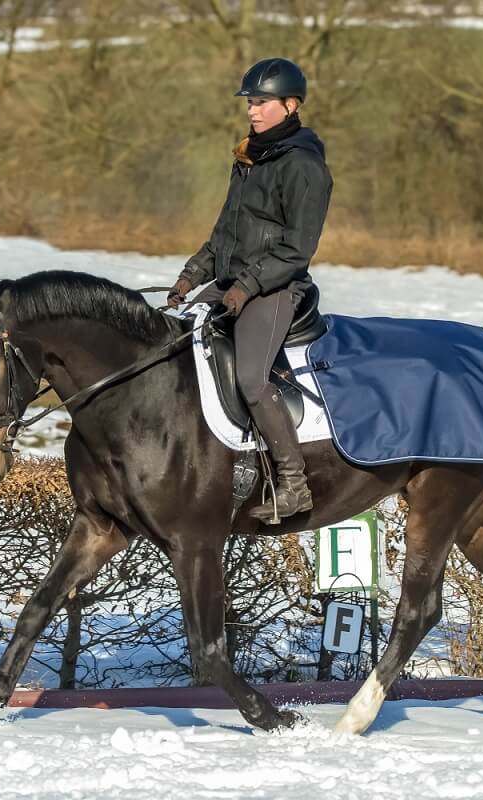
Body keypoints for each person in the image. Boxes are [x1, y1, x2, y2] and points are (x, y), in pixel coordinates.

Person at [167, 57, 333, 524]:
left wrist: (248, 285)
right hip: (231, 284)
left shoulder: (304, 167)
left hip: (277, 288)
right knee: (171, 344)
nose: (252, 111)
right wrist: (191, 275)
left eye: (261, 103)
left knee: (252, 379)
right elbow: (224, 233)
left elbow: (297, 250)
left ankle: (293, 484)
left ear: (290, 105)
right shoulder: (247, 157)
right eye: (250, 103)